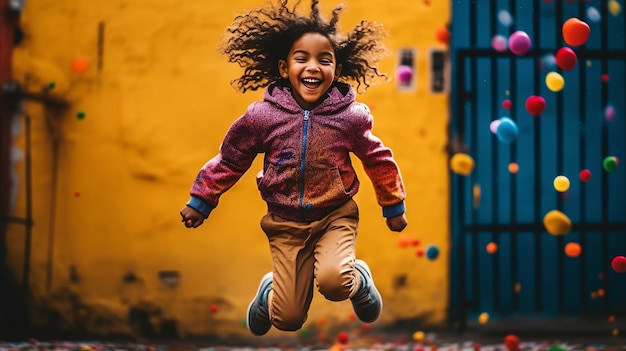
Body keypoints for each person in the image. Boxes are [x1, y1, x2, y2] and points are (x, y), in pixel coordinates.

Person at [179, 0, 408, 336]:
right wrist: (202, 199)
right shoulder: (262, 117)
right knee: (286, 320)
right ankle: (270, 292)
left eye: (324, 60)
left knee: (334, 281)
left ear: (336, 69)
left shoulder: (350, 118)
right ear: (285, 68)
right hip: (285, 224)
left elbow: (377, 158)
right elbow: (232, 158)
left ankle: (358, 278)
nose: (313, 67)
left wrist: (393, 205)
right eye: (302, 58)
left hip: (334, 215)